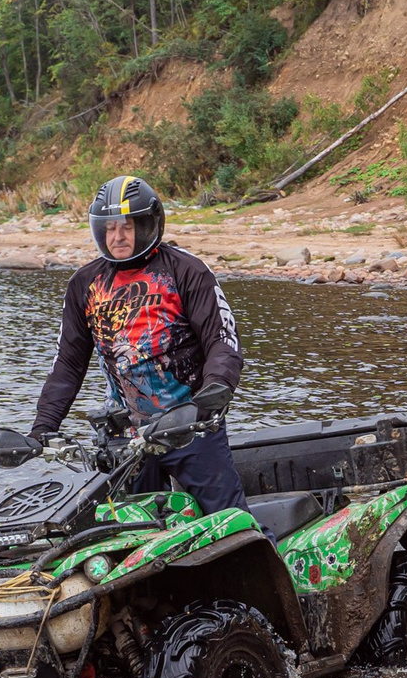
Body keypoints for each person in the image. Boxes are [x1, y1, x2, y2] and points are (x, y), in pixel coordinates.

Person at [26, 175, 247, 515]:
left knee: (230, 521)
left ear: (148, 224)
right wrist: (43, 427)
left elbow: (222, 340)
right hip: (124, 435)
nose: (117, 237)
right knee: (119, 529)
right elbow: (68, 364)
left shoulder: (187, 271)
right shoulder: (85, 284)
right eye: (110, 227)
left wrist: (215, 390)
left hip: (191, 424)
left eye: (127, 227)